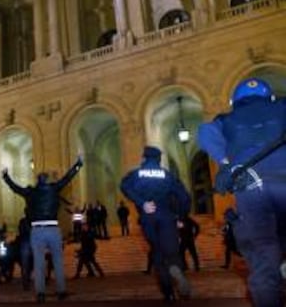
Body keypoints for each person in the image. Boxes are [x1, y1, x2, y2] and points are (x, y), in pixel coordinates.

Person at [197, 77, 286, 307]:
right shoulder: (280, 106)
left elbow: (205, 132)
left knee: (263, 260)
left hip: (251, 187)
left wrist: (228, 163)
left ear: (234, 101)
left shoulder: (225, 119)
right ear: (270, 96)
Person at [2, 156, 83, 304]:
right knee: (58, 260)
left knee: (39, 262)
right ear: (46, 180)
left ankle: (40, 293)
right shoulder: (54, 188)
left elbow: (15, 188)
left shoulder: (30, 192)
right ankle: (61, 291)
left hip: (37, 230)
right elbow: (68, 178)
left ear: (37, 180)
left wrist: (5, 176)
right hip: (52, 229)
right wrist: (78, 164)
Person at [120, 146, 191, 303]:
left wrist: (142, 202)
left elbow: (124, 186)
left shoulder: (136, 174)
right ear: (159, 160)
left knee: (158, 253)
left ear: (144, 158)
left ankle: (168, 293)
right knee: (172, 253)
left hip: (148, 218)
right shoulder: (167, 175)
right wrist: (180, 216)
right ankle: (175, 268)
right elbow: (184, 197)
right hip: (166, 216)